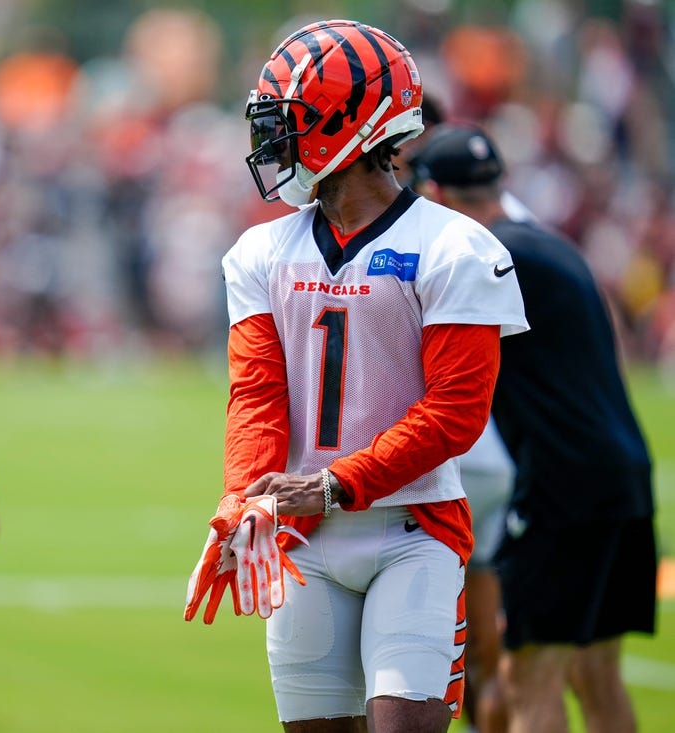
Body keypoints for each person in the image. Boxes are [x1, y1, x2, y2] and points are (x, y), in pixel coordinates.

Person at [185, 19, 528, 733]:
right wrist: (241, 497)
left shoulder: (456, 247)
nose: (272, 139)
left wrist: (334, 482)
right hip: (303, 538)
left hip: (414, 529)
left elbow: (456, 412)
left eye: (289, 119)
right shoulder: (261, 251)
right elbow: (256, 395)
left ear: (348, 121)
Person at [411, 123, 657, 733]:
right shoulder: (548, 246)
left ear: (435, 194)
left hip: (560, 488)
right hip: (624, 476)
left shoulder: (481, 258)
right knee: (597, 676)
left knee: (529, 680)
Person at [400, 98, 518, 733]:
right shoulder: (510, 224)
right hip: (495, 452)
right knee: (487, 657)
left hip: (446, 455)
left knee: (407, 657)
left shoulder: (431, 224)